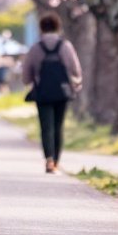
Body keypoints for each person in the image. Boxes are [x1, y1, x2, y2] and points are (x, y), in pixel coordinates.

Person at [21, 14, 83, 171]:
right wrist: (76, 82)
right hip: (62, 92)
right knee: (57, 126)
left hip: (42, 92)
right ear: (58, 27)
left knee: (46, 126)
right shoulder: (65, 46)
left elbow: (27, 73)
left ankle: (48, 157)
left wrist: (30, 82)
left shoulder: (36, 48)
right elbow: (75, 69)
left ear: (41, 28)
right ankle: (56, 161)